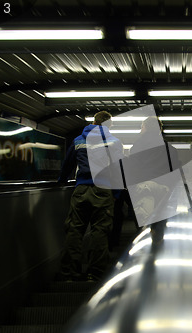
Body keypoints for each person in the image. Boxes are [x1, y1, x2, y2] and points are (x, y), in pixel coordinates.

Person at [58, 111, 124, 281]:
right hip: (103, 191)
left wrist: (61, 182)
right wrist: (116, 193)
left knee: (74, 230)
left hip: (80, 190)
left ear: (94, 122)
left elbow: (67, 165)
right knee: (100, 232)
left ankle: (69, 274)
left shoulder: (79, 140)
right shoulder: (114, 142)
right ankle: (95, 274)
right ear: (109, 126)